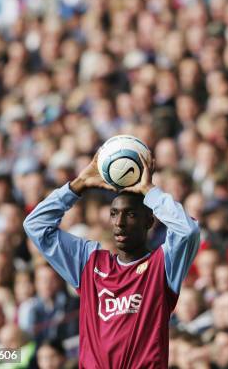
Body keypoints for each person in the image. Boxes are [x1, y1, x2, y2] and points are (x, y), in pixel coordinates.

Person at [23, 153, 200, 368]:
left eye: (130, 214)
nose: (120, 222)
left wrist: (150, 192)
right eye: (114, 214)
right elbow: (36, 225)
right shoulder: (89, 263)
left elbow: (187, 231)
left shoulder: (162, 265)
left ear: (149, 221)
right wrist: (77, 186)